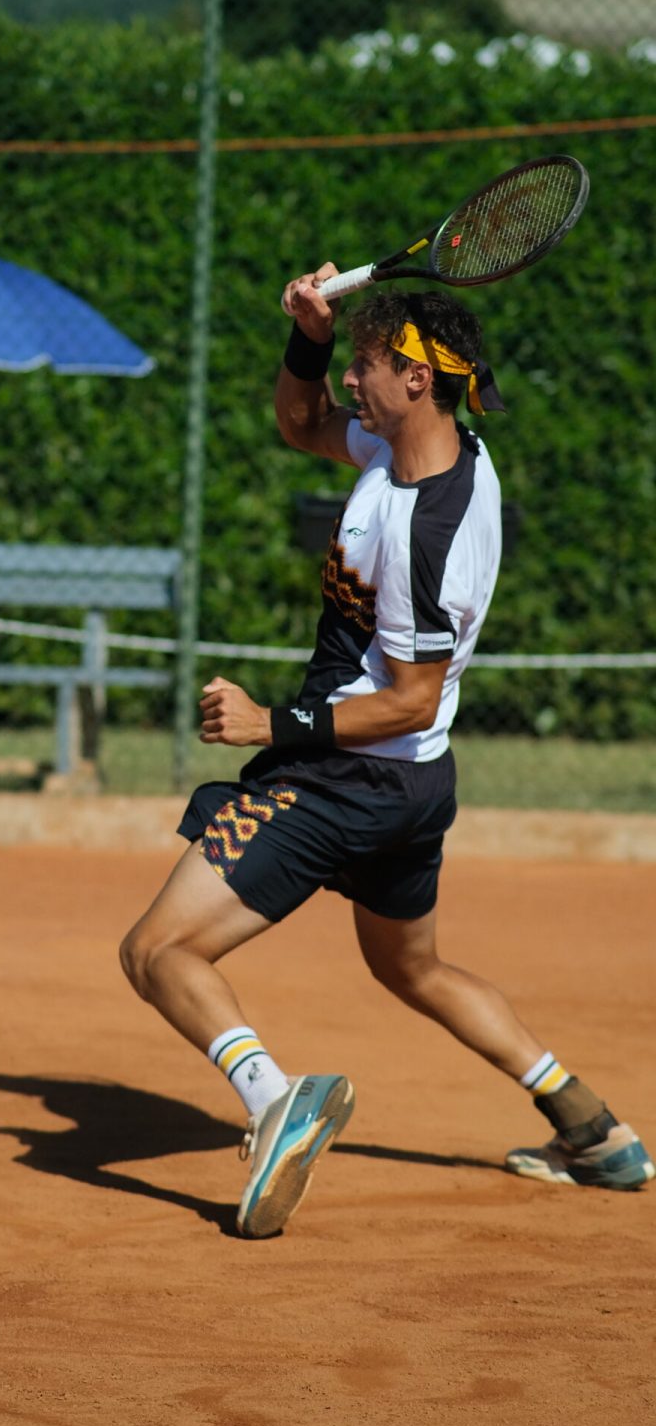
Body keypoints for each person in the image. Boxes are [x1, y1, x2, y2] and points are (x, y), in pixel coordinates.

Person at [119, 262, 653, 1238]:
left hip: (346, 774)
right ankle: (594, 1128)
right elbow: (297, 420)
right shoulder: (425, 450)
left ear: (417, 379)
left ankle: (275, 1098)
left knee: (157, 951)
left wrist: (271, 725)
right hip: (413, 789)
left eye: (367, 365)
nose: (352, 385)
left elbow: (408, 699)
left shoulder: (428, 532)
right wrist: (311, 335)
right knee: (413, 970)